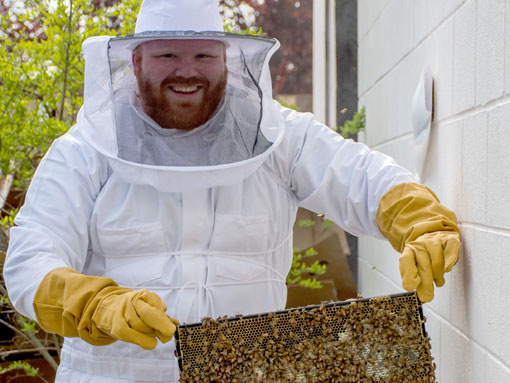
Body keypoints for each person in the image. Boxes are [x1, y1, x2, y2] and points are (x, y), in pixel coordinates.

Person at [3, 0, 461, 382]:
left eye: (203, 56)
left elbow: (361, 176)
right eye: (167, 56)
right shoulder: (86, 150)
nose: (187, 72)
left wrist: (419, 221)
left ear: (227, 58)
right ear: (137, 60)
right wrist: (94, 303)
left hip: (250, 369)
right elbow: (31, 258)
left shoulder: (279, 136)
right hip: (110, 374)